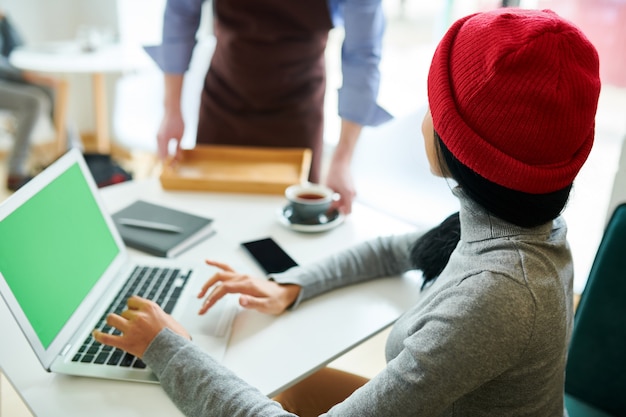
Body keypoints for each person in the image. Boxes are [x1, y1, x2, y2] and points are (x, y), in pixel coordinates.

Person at [93, 8, 601, 416]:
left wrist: (168, 348)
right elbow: (400, 249)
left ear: (464, 146)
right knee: (283, 380)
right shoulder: (519, 222)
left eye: (434, 104)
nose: (424, 118)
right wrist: (292, 285)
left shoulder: (496, 298)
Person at [146, 0, 392, 215]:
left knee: (288, 229)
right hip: (223, 103)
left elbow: (362, 55)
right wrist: (171, 110)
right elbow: (180, 15)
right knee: (215, 212)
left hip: (297, 110)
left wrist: (342, 160)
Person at [0, 11, 65, 191]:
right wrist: (25, 76)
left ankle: (72, 152)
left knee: (51, 89)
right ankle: (15, 171)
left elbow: (20, 49)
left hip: (7, 78)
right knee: (34, 101)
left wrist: (6, 22)